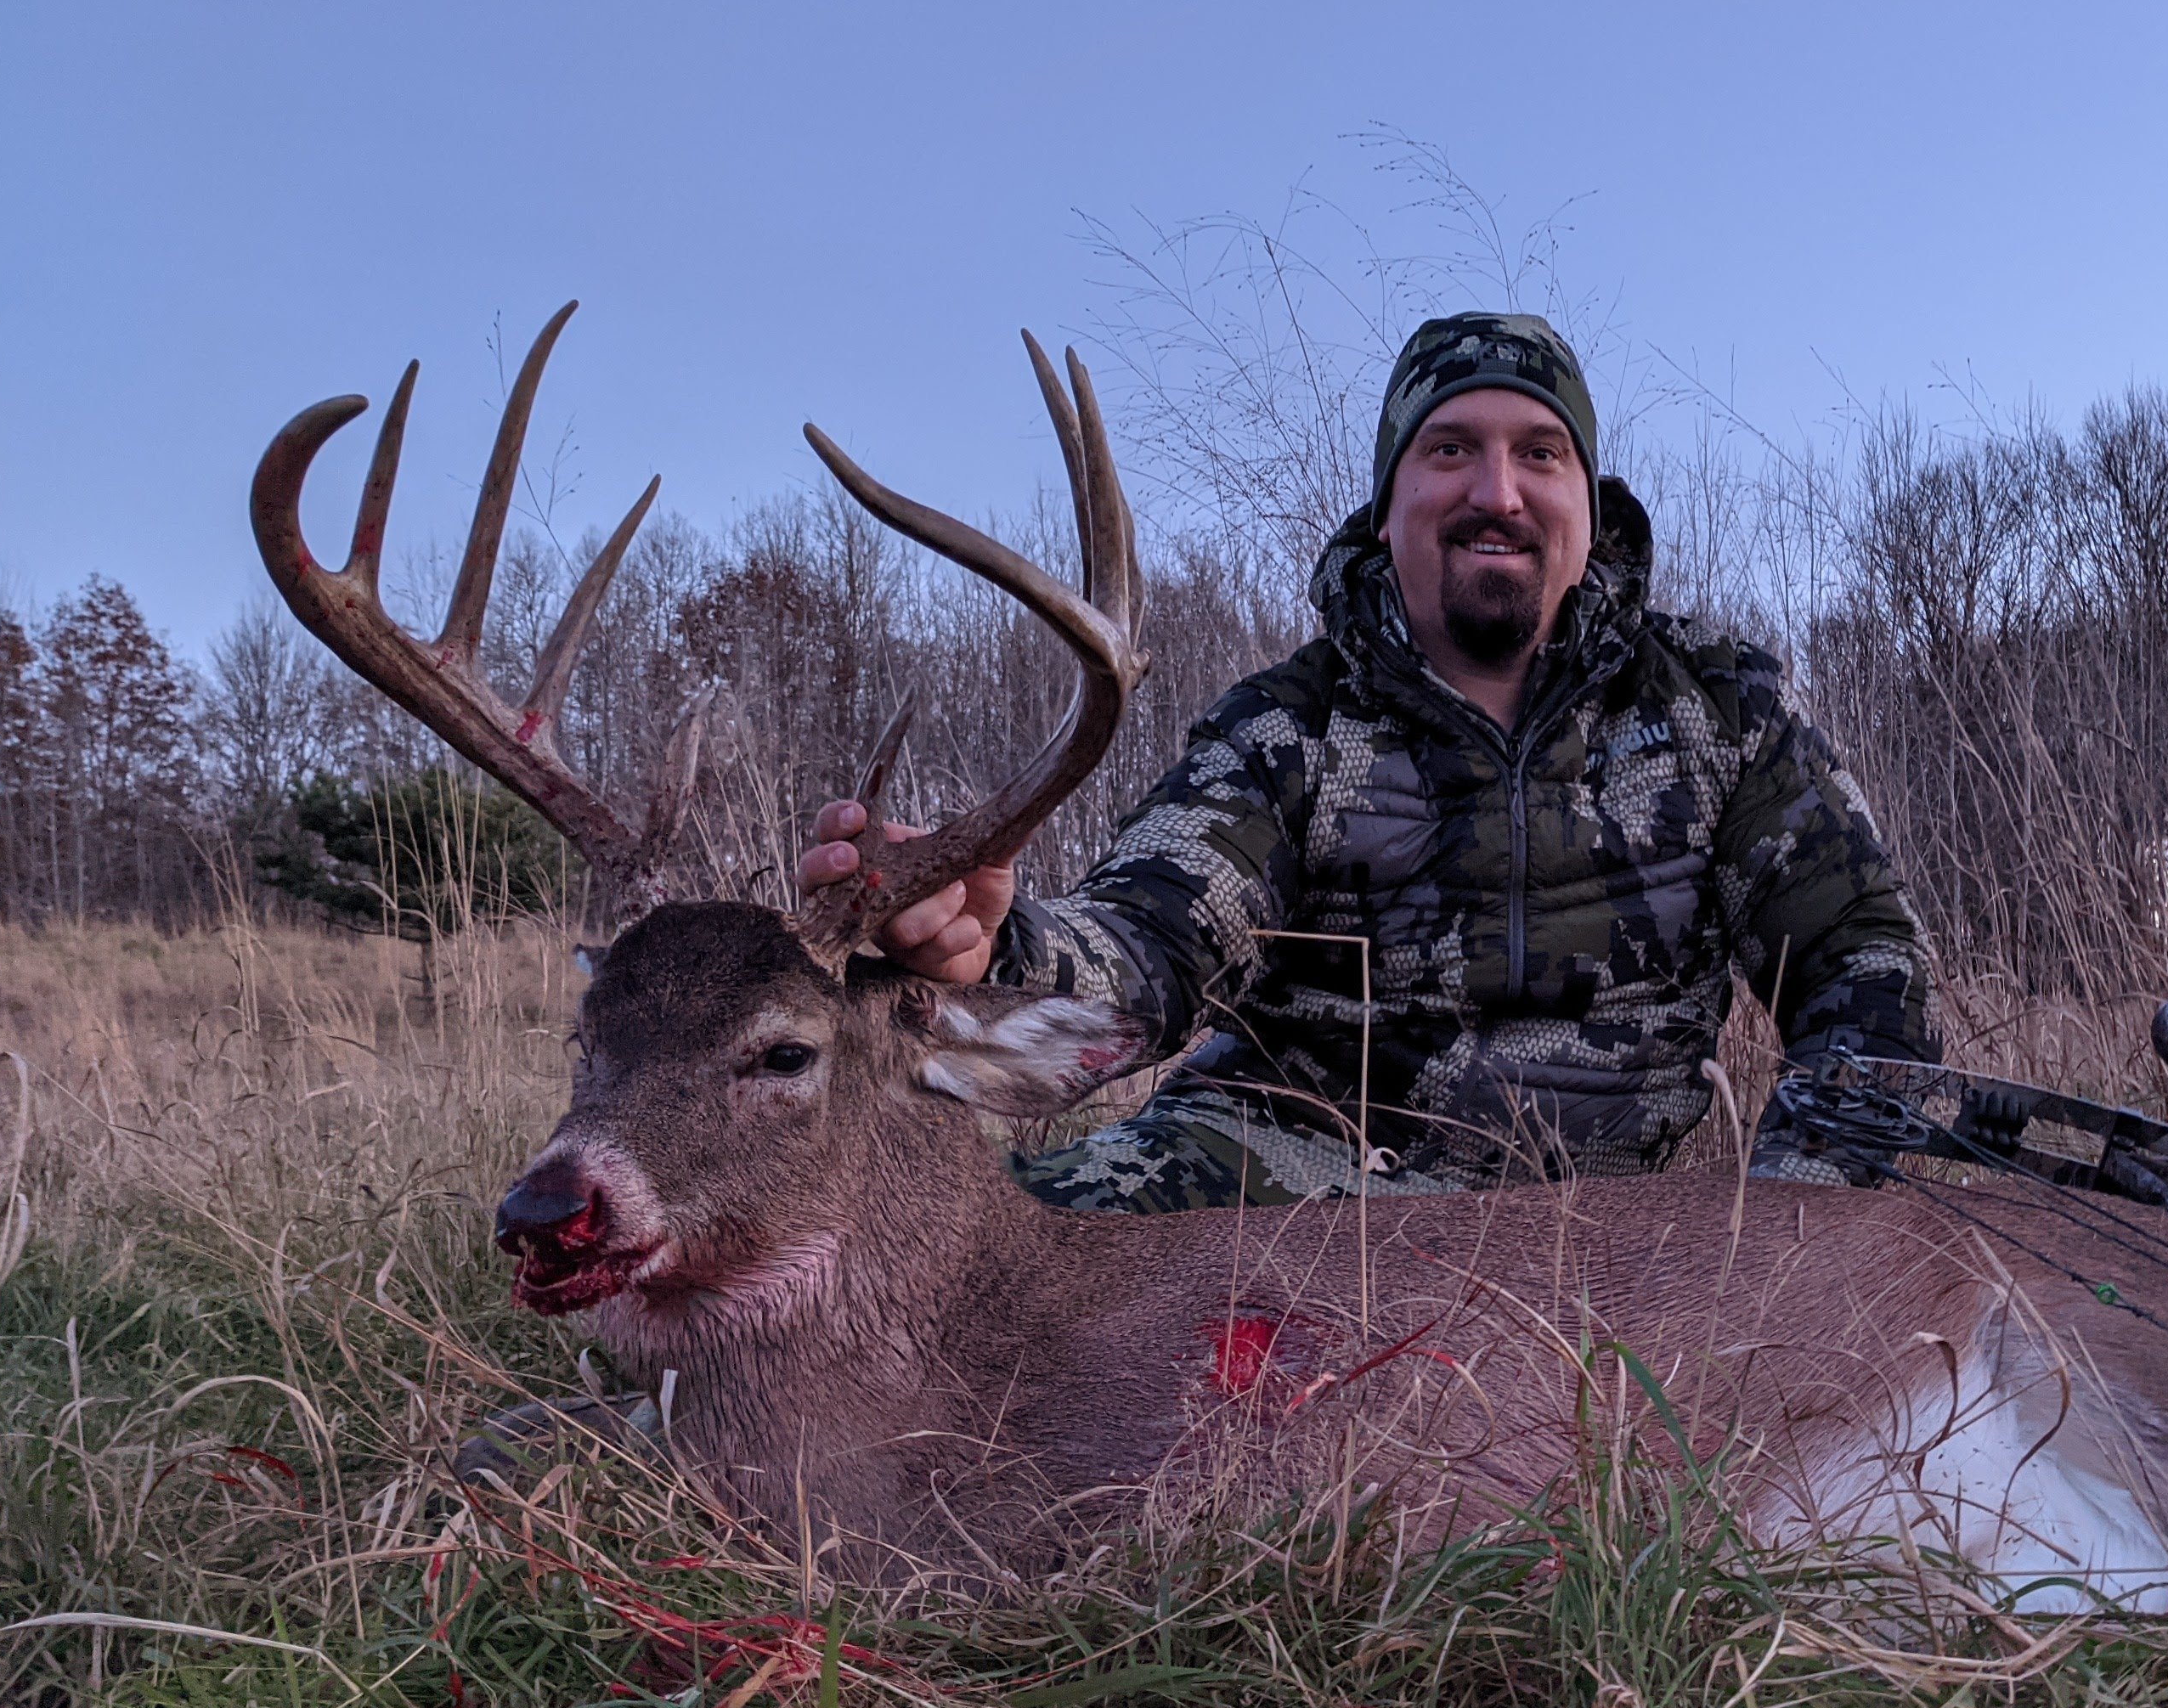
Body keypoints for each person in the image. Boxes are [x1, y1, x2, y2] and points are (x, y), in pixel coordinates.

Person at [798, 312, 1940, 1211]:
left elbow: (1865, 968)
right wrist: (990, 946)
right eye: (1450, 450)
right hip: (1270, 1191)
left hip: (1592, 1255)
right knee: (972, 1287)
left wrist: (1811, 1220)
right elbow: (1146, 948)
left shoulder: (1716, 711)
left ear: (1588, 507)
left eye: (1540, 454)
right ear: (1388, 507)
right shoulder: (1288, 731)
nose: (1497, 491)